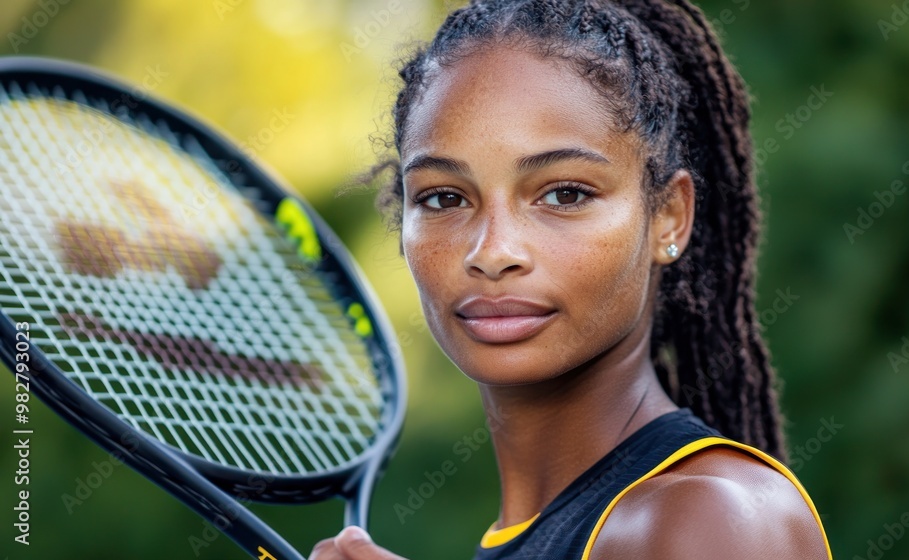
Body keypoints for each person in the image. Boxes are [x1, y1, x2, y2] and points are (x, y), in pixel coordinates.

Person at [311, 0, 832, 558]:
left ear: (669, 216)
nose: (493, 251)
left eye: (565, 194)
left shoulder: (708, 519)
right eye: (445, 198)